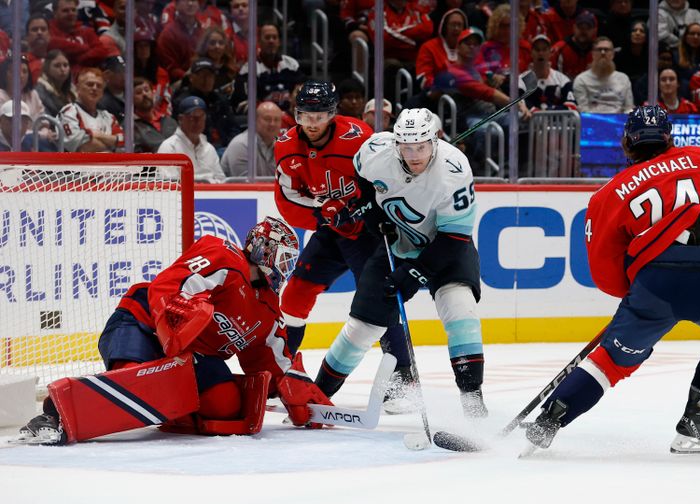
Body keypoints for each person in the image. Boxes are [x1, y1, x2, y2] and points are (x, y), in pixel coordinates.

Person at [523, 105, 700, 455]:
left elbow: (606, 277)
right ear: (669, 139)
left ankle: (549, 420)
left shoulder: (607, 195)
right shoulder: (697, 159)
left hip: (655, 286)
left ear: (627, 143)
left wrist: (640, 292)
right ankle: (696, 417)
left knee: (611, 361)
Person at [15, 217, 334, 446]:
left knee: (224, 405)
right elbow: (168, 286)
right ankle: (55, 415)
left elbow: (271, 360)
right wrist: (181, 313)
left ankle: (166, 406)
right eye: (284, 259)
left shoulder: (266, 308)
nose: (285, 268)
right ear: (267, 250)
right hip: (143, 323)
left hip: (189, 354)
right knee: (141, 381)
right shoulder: (222, 255)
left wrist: (294, 385)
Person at [326, 107, 488, 418]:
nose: (414, 155)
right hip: (397, 243)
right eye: (407, 147)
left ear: (435, 141)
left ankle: (473, 402)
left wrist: (415, 274)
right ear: (396, 143)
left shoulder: (454, 170)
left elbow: (454, 238)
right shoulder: (376, 150)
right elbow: (361, 180)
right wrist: (370, 208)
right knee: (362, 328)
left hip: (445, 245)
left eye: (421, 147)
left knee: (460, 309)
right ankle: (318, 393)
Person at [272, 81, 413, 412]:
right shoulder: (286, 145)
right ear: (297, 114)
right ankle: (282, 372)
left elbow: (387, 182)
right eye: (306, 114)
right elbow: (288, 196)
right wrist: (321, 213)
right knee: (293, 298)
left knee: (379, 303)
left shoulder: (358, 136)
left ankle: (404, 382)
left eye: (320, 115)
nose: (312, 122)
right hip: (331, 232)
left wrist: (364, 205)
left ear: (332, 114)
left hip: (367, 234)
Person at [158, 96, 225, 183]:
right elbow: (168, 185)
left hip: (211, 195)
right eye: (192, 117)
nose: (198, 121)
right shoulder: (169, 147)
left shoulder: (209, 148)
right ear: (180, 119)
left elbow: (221, 180)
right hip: (183, 196)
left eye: (201, 116)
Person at [59, 68, 124, 152]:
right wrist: (113, 146)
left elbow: (125, 143)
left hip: (111, 164)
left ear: (102, 92)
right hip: (82, 164)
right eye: (90, 84)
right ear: (78, 88)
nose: (94, 88)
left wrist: (95, 135)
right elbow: (84, 146)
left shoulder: (109, 117)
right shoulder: (69, 112)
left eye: (99, 86)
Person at [572, 37, 634, 113]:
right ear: (593, 54)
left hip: (619, 123)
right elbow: (583, 110)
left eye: (607, 50)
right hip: (592, 122)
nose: (603, 53)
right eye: (599, 49)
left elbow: (628, 108)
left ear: (613, 54)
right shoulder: (581, 79)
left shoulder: (623, 79)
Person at [221, 100, 281, 178]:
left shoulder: (283, 145)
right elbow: (246, 185)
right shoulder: (240, 145)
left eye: (276, 120)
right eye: (267, 119)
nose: (272, 124)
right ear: (255, 120)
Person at [133, 77, 178, 153]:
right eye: (138, 92)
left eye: (146, 90)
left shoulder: (169, 121)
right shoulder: (130, 127)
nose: (144, 94)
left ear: (153, 93)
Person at [35, 49, 75, 117]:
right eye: (57, 66)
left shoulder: (72, 91)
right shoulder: (40, 91)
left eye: (65, 65)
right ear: (47, 68)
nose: (62, 69)